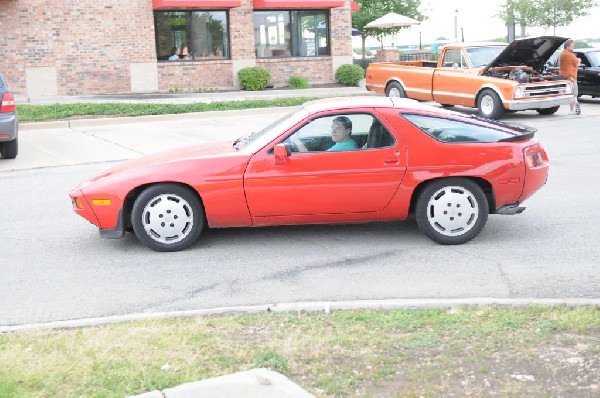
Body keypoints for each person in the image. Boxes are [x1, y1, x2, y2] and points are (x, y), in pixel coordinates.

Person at [559, 39, 581, 115]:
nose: (573, 48)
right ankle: (573, 109)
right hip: (571, 77)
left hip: (564, 75)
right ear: (567, 46)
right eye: (572, 46)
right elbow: (577, 64)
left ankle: (573, 109)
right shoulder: (570, 55)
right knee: (574, 94)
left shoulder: (561, 54)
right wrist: (579, 60)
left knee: (570, 94)